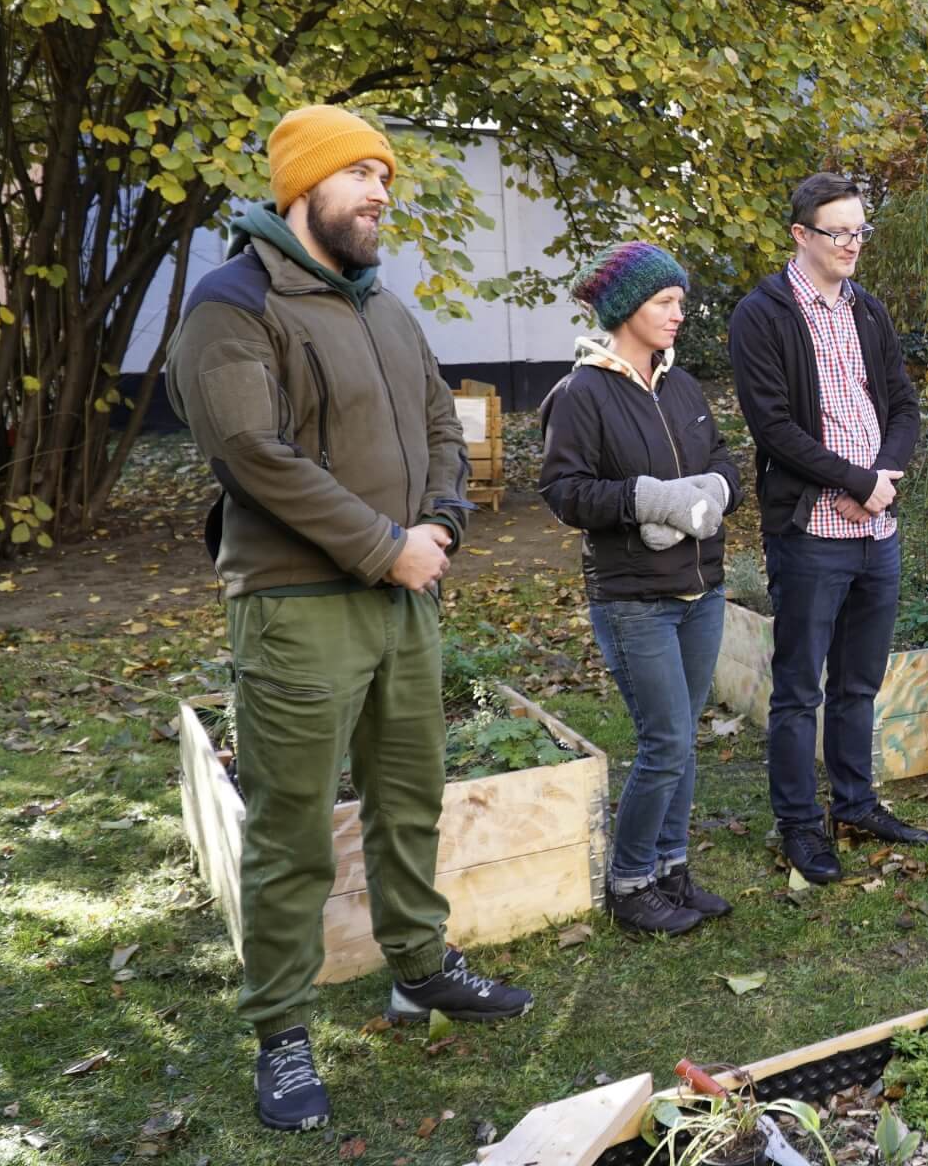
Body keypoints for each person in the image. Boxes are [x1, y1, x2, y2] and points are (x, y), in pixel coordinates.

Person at [166, 105, 531, 1133]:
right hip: (299, 610)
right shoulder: (235, 305)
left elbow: (439, 423)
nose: (382, 192)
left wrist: (443, 522)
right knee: (290, 831)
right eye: (361, 173)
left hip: (407, 598)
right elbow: (252, 454)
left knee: (410, 797)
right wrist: (383, 543)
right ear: (302, 186)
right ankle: (281, 1030)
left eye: (386, 174)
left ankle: (418, 967)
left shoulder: (383, 307)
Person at [728, 172, 928, 884]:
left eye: (859, 232)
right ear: (801, 235)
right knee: (798, 690)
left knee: (859, 683)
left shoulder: (867, 310)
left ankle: (855, 803)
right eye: (839, 232)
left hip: (876, 532)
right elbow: (774, 428)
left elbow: (905, 406)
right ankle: (799, 826)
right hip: (809, 532)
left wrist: (880, 482)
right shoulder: (763, 314)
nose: (852, 245)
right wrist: (853, 484)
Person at [538, 242, 742, 935]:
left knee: (682, 743)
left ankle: (670, 868)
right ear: (627, 310)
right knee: (666, 742)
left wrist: (714, 490)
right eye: (666, 302)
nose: (679, 314)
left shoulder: (683, 387)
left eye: (680, 301)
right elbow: (564, 493)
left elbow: (724, 465)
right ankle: (630, 882)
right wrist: (647, 499)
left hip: (702, 591)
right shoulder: (581, 394)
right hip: (634, 601)